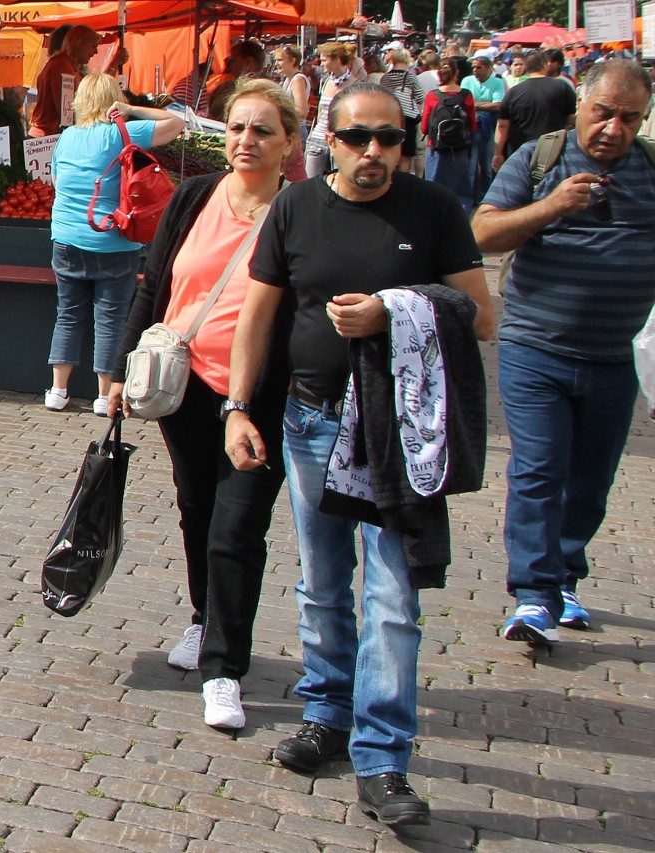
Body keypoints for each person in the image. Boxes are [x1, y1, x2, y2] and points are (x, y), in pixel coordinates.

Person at [224, 81, 494, 828]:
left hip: (398, 432)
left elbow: (483, 314)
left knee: (393, 599)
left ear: (407, 141)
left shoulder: (434, 211)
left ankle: (382, 758)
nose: (372, 151)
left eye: (388, 137)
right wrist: (239, 408)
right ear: (328, 142)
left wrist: (397, 307)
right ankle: (327, 715)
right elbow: (259, 313)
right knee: (321, 582)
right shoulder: (297, 207)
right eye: (356, 138)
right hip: (312, 422)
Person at [108, 80, 296, 730]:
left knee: (238, 527)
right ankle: (201, 614)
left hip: (257, 396)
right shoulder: (194, 197)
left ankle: (225, 668)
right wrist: (119, 368)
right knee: (197, 509)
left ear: (288, 143)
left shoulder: (296, 213)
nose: (246, 141)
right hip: (183, 385)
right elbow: (153, 283)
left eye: (262, 130)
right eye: (238, 128)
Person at [471, 60, 655, 644]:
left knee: (590, 479)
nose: (613, 128)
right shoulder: (538, 160)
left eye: (630, 118)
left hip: (615, 356)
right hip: (535, 349)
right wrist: (551, 207)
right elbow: (480, 233)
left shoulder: (651, 169)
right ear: (581, 105)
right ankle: (532, 594)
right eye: (604, 113)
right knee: (539, 468)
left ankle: (564, 578)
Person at [45, 73, 184, 413]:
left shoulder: (66, 138)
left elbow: (56, 179)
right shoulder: (121, 133)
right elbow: (176, 122)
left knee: (68, 315)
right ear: (112, 100)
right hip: (114, 241)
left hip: (65, 238)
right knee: (110, 318)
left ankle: (58, 391)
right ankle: (104, 395)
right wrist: (131, 109)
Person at [30, 26, 125, 137]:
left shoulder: (68, 66)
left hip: (49, 135)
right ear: (78, 44)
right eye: (93, 46)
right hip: (48, 136)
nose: (96, 52)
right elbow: (67, 112)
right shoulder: (62, 65)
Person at [492, 50, 577, 172]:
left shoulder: (514, 92)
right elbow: (572, 116)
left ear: (526, 67)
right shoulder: (562, 87)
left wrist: (498, 153)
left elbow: (502, 126)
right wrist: (565, 128)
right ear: (545, 64)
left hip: (519, 152)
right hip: (553, 150)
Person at [423, 58, 477, 211]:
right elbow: (472, 125)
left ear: (439, 74)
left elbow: (424, 127)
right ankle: (461, 217)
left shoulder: (432, 96)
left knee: (433, 187)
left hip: (436, 148)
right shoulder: (467, 95)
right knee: (462, 189)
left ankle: (433, 217)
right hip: (460, 147)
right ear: (457, 73)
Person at [305, 42, 356, 178]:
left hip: (341, 140)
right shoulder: (325, 81)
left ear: (337, 60)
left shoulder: (355, 85)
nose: (321, 64)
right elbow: (320, 112)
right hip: (318, 138)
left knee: (339, 182)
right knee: (311, 183)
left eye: (324, 60)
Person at [461, 54, 505, 203]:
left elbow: (498, 105)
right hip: (471, 127)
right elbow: (464, 103)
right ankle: (470, 196)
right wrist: (486, 104)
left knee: (487, 165)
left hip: (488, 128)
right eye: (473, 67)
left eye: (479, 67)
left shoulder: (497, 82)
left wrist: (474, 104)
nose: (475, 70)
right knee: (471, 166)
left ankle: (487, 196)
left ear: (489, 68)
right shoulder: (467, 81)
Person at [380, 49, 424, 172]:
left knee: (391, 151)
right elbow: (420, 97)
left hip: (389, 118)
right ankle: (403, 180)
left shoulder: (385, 77)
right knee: (406, 155)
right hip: (407, 119)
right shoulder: (410, 76)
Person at [274, 45, 310, 181]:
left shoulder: (298, 80)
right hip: (291, 130)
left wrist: (279, 110)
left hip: (297, 131)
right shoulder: (287, 80)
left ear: (293, 61)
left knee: (295, 175)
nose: (277, 64)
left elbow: (302, 111)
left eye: (280, 60)